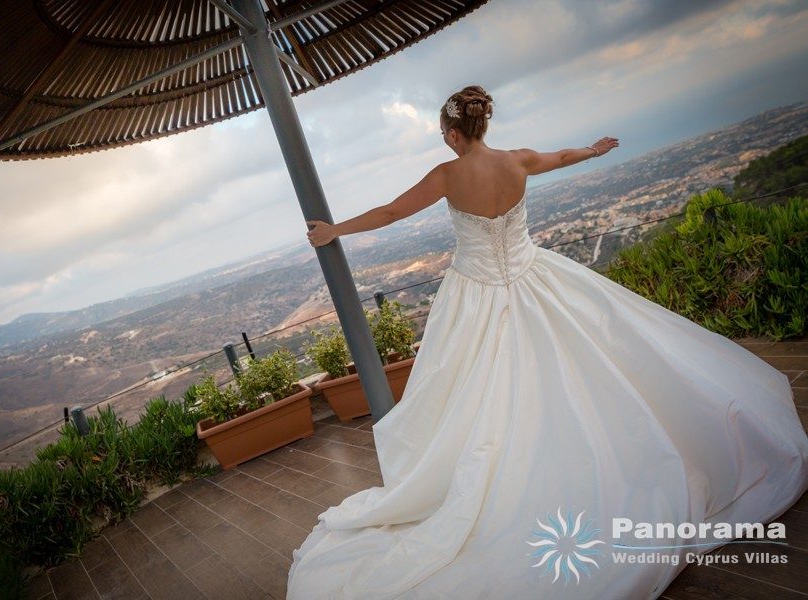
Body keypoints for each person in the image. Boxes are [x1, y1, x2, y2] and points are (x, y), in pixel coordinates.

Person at [290, 85, 808, 599]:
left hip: (475, 298)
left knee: (478, 393)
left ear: (452, 133)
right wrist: (594, 149)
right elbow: (561, 157)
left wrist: (335, 230)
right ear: (483, 126)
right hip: (535, 277)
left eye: (445, 134)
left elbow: (389, 214)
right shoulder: (517, 160)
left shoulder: (447, 175)